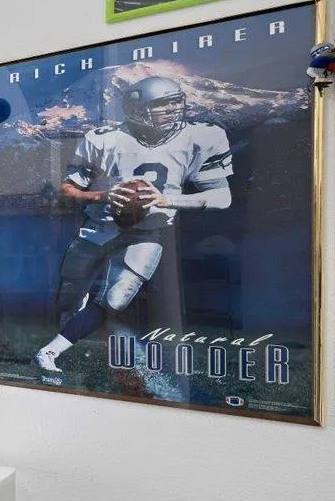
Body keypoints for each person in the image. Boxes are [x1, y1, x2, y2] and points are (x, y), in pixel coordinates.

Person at [32, 76, 233, 378]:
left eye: (175, 102)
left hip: (147, 232)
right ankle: (71, 330)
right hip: (98, 227)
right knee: (70, 297)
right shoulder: (103, 139)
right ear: (136, 109)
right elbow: (68, 190)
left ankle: (49, 352)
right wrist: (102, 195)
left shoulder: (202, 137)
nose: (173, 110)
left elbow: (221, 198)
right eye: (162, 104)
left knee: (117, 298)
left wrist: (167, 200)